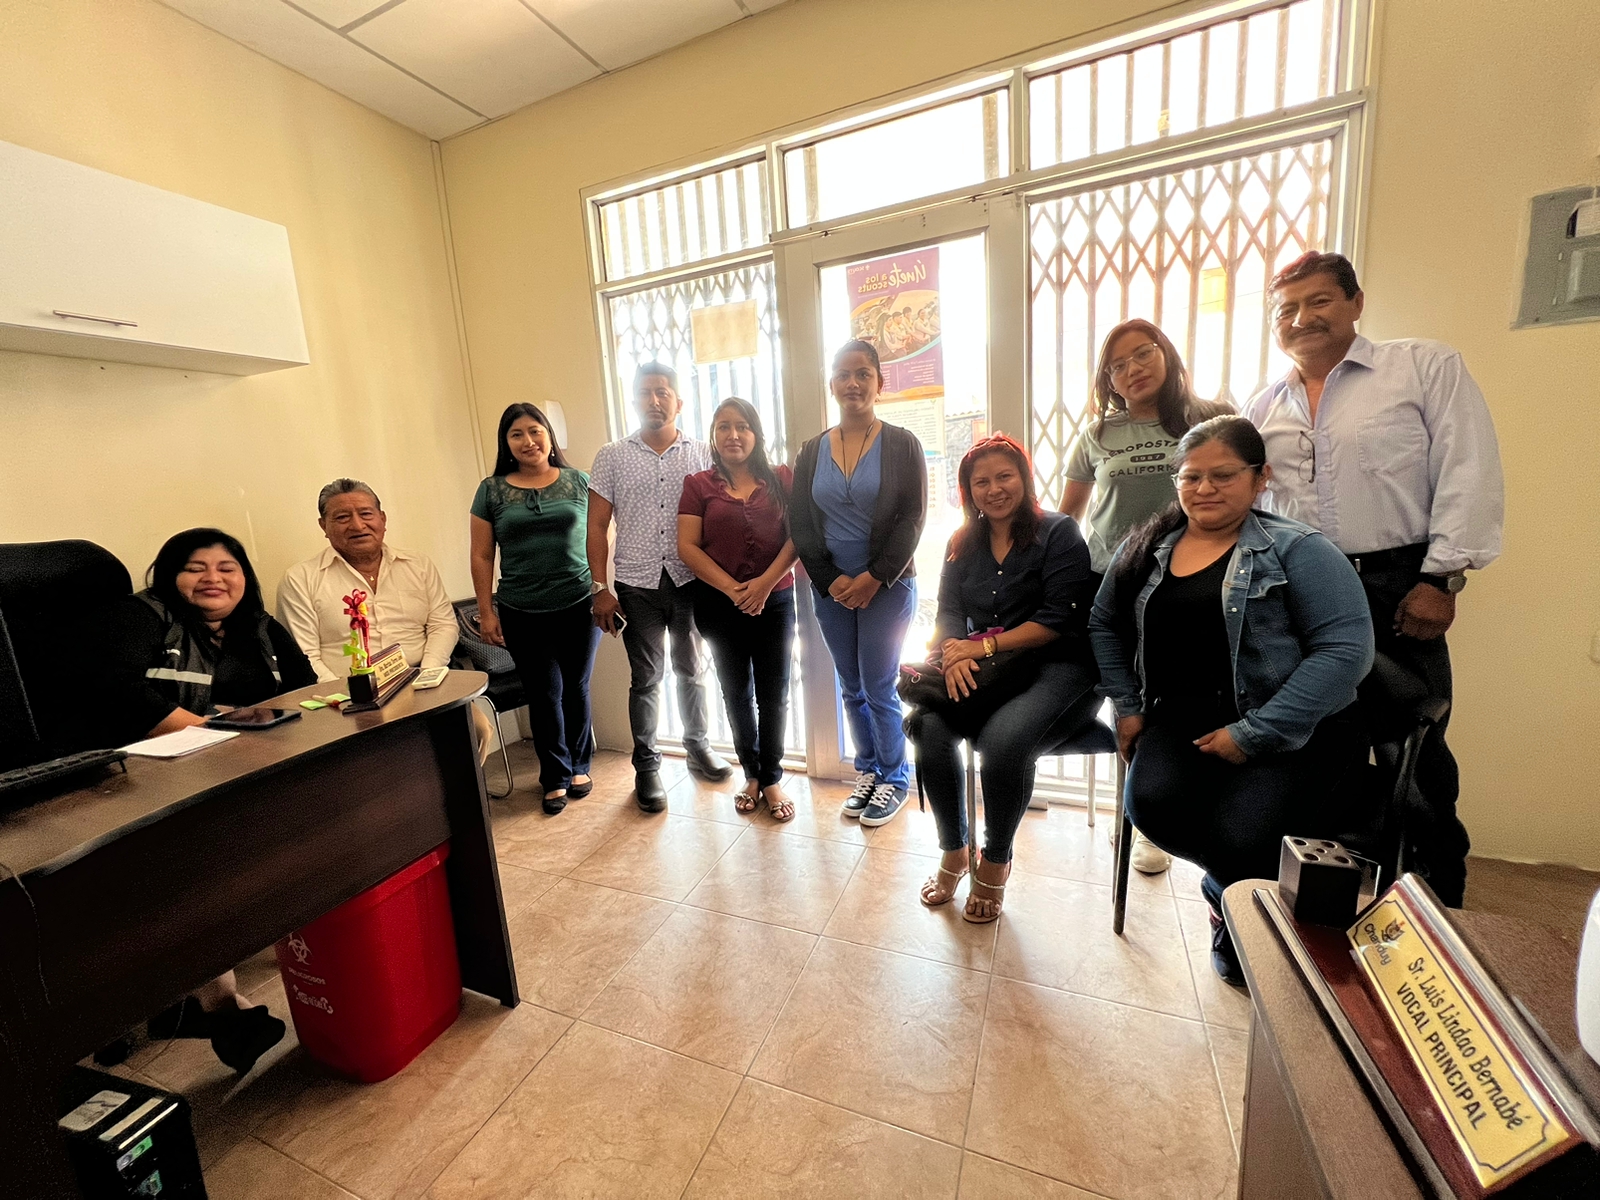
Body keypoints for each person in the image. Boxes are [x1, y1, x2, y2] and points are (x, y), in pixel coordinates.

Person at [1240, 252, 1503, 908]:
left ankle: (1437, 905)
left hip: (1396, 585)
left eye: (1319, 301)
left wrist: (1442, 578)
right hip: (1300, 591)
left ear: (1356, 303)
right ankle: (1317, 903)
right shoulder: (1264, 405)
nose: (1302, 318)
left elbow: (1467, 469)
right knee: (1315, 747)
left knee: (1411, 749)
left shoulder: (1422, 368)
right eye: (1287, 309)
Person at [1089, 417, 1374, 984]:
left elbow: (1346, 652)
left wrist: (1252, 734)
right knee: (1150, 806)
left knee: (1245, 835)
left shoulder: (1300, 550)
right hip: (1182, 720)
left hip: (1290, 725)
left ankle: (1234, 906)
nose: (1205, 488)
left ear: (1260, 477)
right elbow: (1104, 624)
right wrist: (1128, 706)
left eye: (1223, 475)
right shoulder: (1146, 548)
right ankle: (1233, 890)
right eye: (1191, 477)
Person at [106, 528, 317, 1072]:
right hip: (161, 775)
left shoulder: (261, 626)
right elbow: (120, 692)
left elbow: (305, 689)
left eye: (227, 567)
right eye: (195, 568)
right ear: (169, 576)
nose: (213, 579)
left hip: (249, 766)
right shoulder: (143, 617)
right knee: (198, 860)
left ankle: (212, 997)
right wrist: (211, 729)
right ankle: (220, 1004)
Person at [1060, 319, 1232, 877]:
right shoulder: (1098, 434)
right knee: (1125, 697)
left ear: (1166, 353)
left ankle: (1175, 807)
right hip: (1111, 581)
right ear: (1107, 379)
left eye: (1142, 354)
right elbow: (1067, 517)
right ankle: (1132, 815)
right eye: (1117, 365)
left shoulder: (1209, 417)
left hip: (1189, 583)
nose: (1131, 370)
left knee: (1179, 695)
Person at [913, 435, 1101, 922]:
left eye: (1004, 476)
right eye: (981, 481)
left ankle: (995, 859)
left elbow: (1058, 619)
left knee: (1002, 744)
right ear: (968, 490)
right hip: (989, 670)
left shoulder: (1058, 532)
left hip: (1060, 667)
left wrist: (981, 648)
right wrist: (952, 655)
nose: (994, 489)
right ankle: (954, 850)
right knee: (929, 729)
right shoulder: (961, 543)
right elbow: (948, 612)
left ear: (1024, 478)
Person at [790, 340, 927, 827]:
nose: (853, 383)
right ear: (832, 384)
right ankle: (868, 769)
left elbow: (912, 518)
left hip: (887, 584)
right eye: (844, 374)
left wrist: (873, 577)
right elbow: (801, 522)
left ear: (879, 383)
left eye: (863, 374)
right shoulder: (811, 451)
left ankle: (895, 777)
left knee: (879, 684)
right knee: (850, 684)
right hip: (831, 587)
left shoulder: (902, 444)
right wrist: (831, 581)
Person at [587, 363, 732, 813]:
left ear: (678, 401)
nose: (654, 400)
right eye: (645, 392)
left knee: (693, 668)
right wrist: (599, 587)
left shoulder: (703, 453)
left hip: (690, 580)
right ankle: (646, 768)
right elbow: (595, 527)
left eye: (663, 392)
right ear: (633, 400)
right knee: (646, 678)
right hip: (637, 585)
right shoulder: (612, 455)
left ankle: (698, 746)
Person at [470, 404, 601, 815]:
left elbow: (599, 537)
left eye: (535, 431)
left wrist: (602, 590)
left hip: (578, 603)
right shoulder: (491, 491)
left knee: (576, 687)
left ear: (548, 435)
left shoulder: (579, 481)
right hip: (520, 609)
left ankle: (579, 766)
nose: (528, 441)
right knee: (544, 694)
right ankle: (554, 776)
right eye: (517, 434)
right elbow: (481, 555)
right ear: (506, 443)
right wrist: (486, 612)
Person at [677, 399, 798, 821]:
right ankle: (751, 773)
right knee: (736, 692)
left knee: (774, 693)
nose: (733, 435)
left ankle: (772, 777)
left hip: (775, 600)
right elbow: (687, 546)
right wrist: (734, 590)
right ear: (713, 435)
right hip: (718, 604)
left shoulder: (781, 478)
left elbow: (798, 538)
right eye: (724, 427)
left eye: (742, 426)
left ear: (756, 434)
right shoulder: (697, 484)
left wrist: (763, 585)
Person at [277, 479, 457, 683]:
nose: (357, 525)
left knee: (476, 703)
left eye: (366, 514)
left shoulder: (418, 565)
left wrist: (427, 675)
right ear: (323, 525)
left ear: (383, 519)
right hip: (345, 690)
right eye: (343, 517)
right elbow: (305, 655)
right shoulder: (299, 579)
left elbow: (443, 625)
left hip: (421, 678)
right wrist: (347, 695)